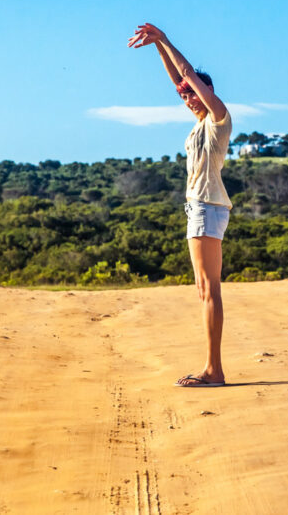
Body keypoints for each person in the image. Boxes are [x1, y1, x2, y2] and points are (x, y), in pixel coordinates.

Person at [128, 23, 231, 387]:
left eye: (193, 93)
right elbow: (179, 80)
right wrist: (158, 47)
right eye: (185, 95)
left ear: (208, 93)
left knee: (208, 289)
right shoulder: (199, 124)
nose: (187, 96)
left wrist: (168, 40)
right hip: (200, 208)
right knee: (205, 289)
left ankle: (214, 371)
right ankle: (212, 368)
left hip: (207, 206)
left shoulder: (218, 119)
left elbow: (186, 74)